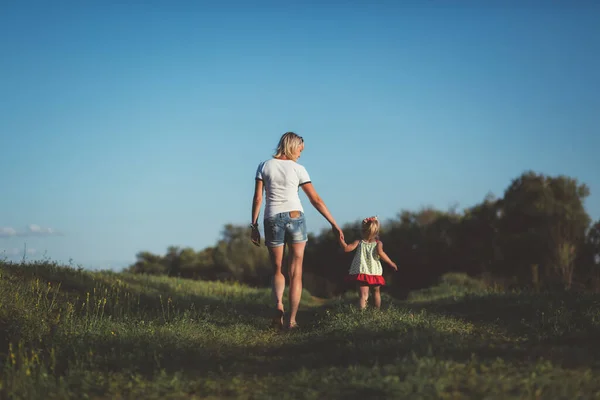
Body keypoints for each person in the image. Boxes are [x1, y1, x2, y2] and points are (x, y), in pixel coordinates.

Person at [250, 132, 344, 330]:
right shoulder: (299, 169)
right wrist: (334, 223)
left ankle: (278, 305)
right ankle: (292, 320)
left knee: (278, 269)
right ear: (292, 147)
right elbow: (315, 200)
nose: (300, 154)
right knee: (296, 273)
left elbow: (258, 198)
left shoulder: (264, 165)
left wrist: (254, 225)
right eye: (300, 150)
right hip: (295, 217)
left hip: (272, 218)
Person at [339, 216, 398, 310]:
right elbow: (381, 254)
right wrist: (391, 262)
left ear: (363, 230)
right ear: (377, 231)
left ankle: (362, 314)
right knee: (376, 292)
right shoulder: (378, 243)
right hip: (374, 272)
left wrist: (341, 240)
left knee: (363, 295)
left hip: (361, 272)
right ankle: (376, 312)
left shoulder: (358, 242)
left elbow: (346, 248)